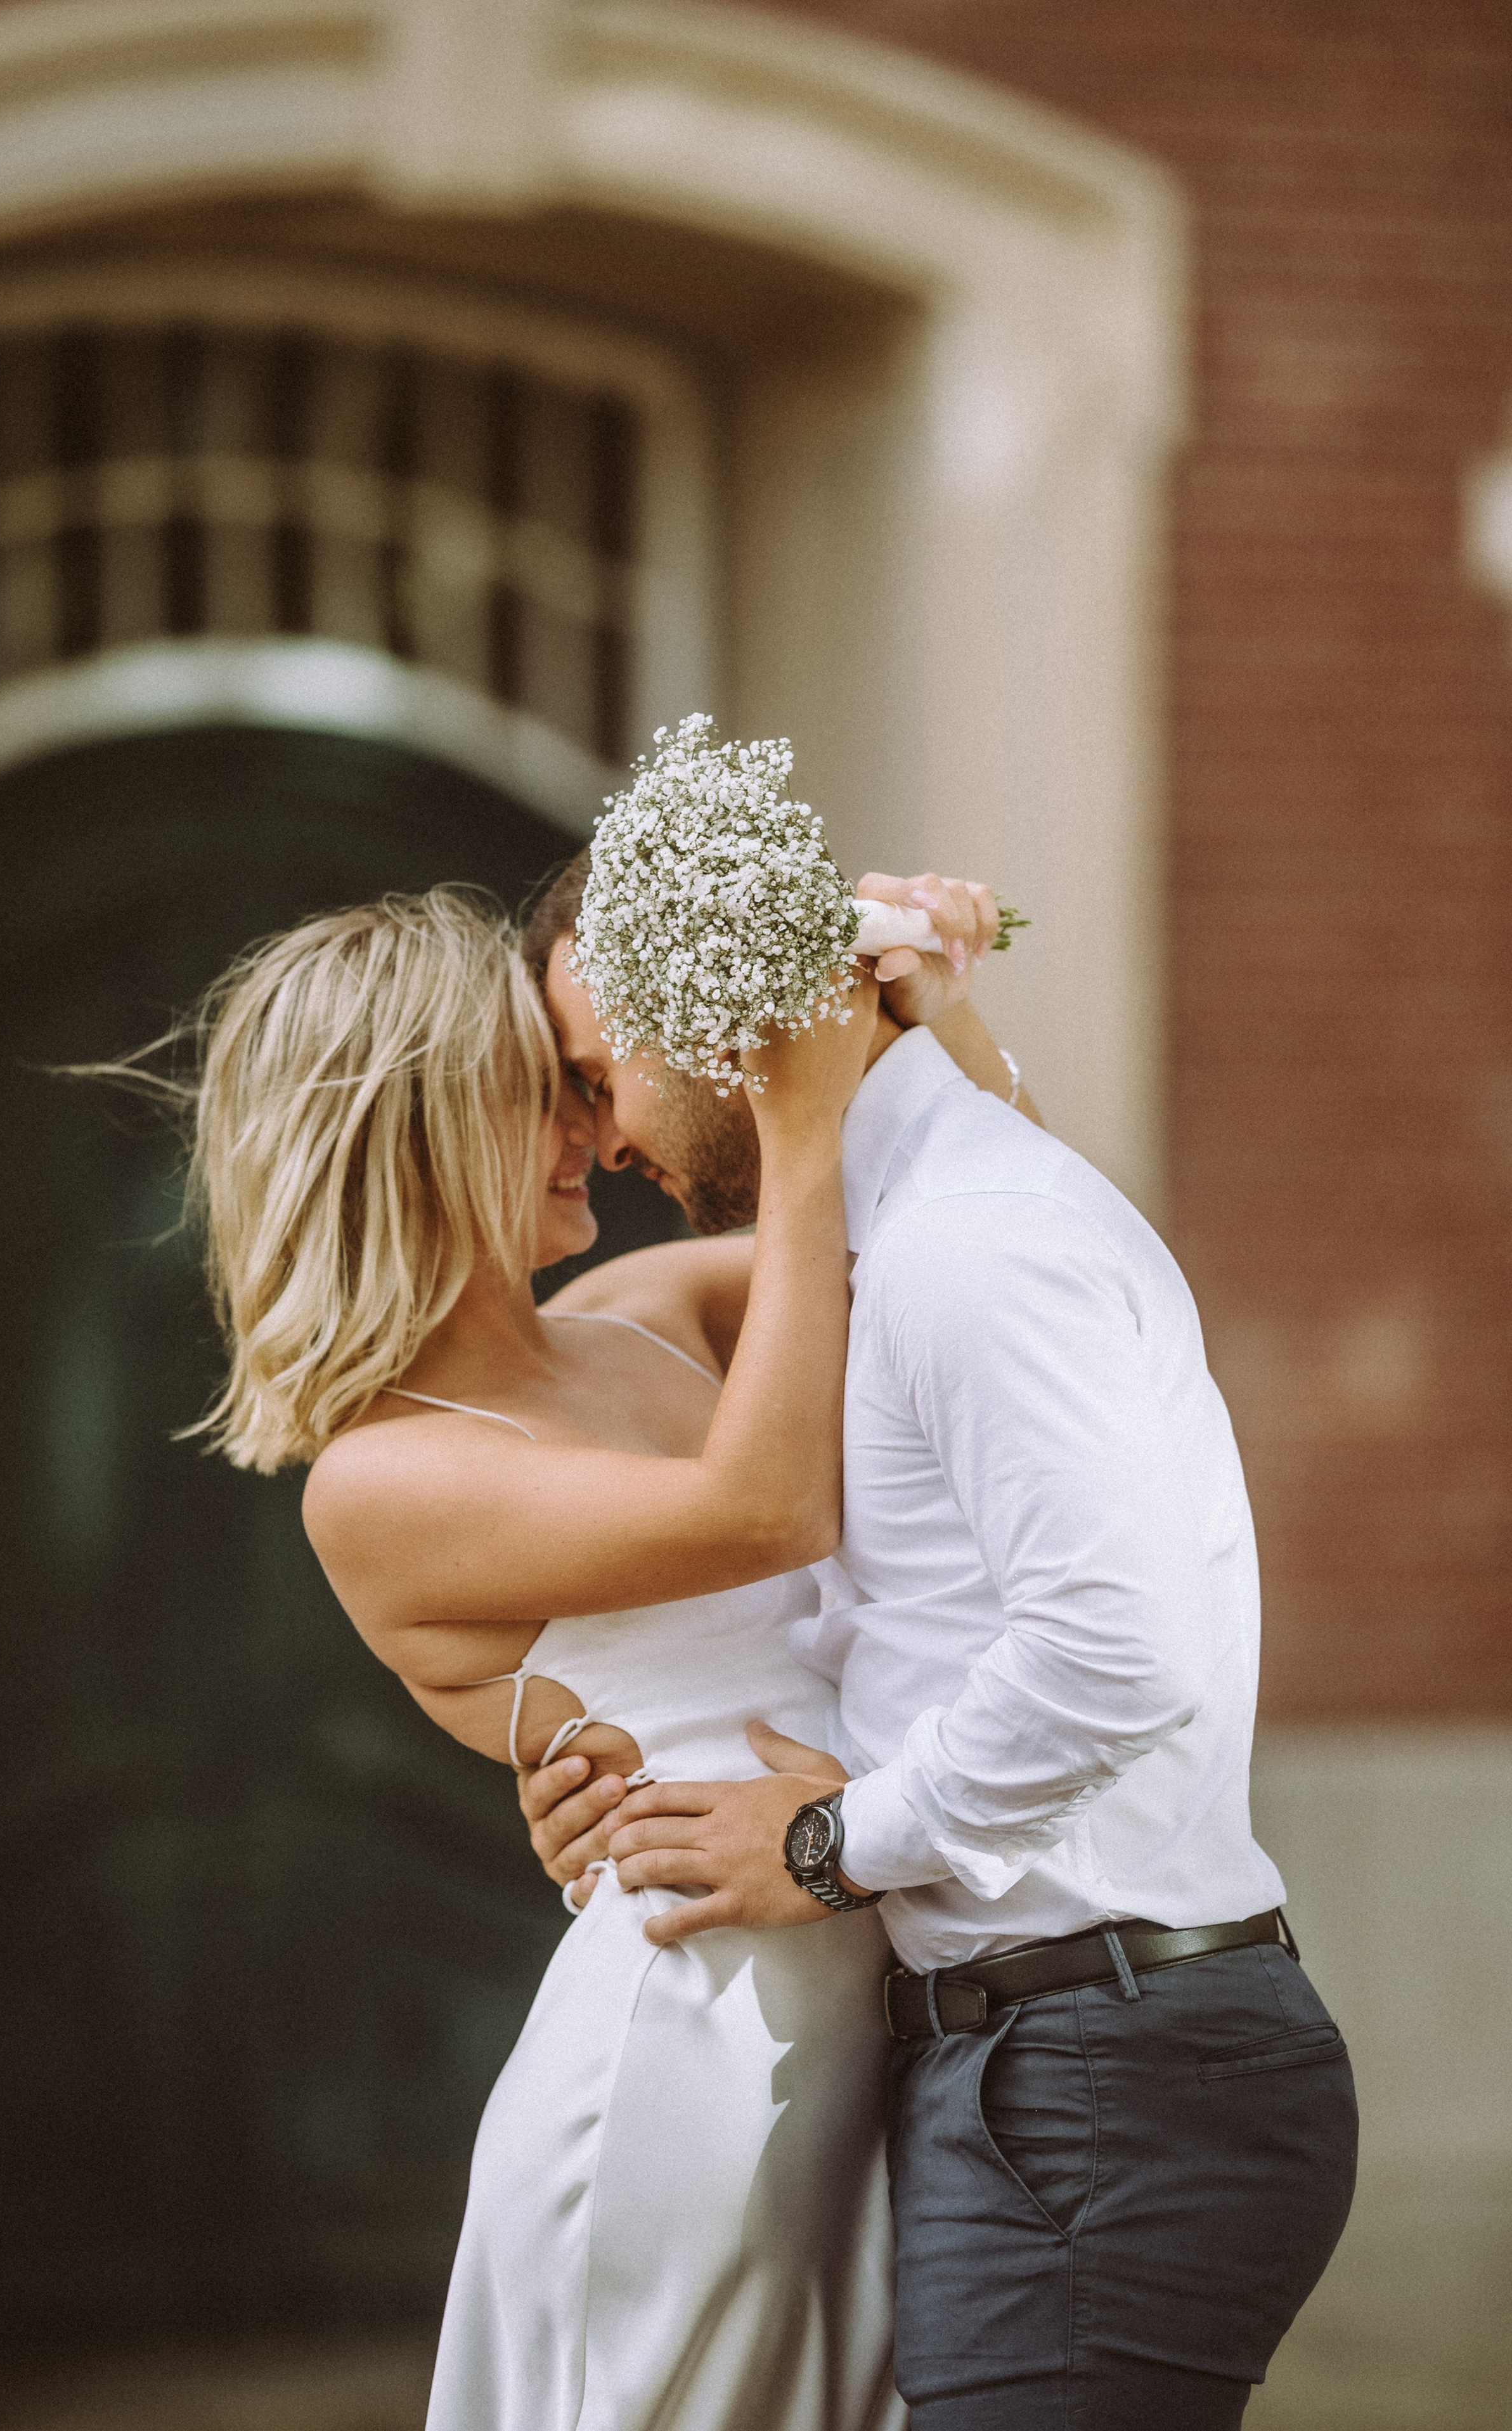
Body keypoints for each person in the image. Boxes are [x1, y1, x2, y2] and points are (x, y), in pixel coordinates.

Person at [520, 853, 1361, 2431]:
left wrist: (834, 1845)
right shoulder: (915, 1224)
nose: (608, 1137)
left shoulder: (966, 1241)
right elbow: (911, 1624)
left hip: (1095, 2077)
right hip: (1051, 2063)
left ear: (715, 1015)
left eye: (598, 1073)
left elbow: (1116, 1651)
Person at [178, 876, 1026, 2431]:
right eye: (545, 1093)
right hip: (691, 2059)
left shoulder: (647, 1313)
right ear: (419, 1134)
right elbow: (765, 1508)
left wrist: (917, 1002)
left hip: (875, 2009)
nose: (599, 1124)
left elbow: (975, 1244)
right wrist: (801, 1115)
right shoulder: (378, 1480)